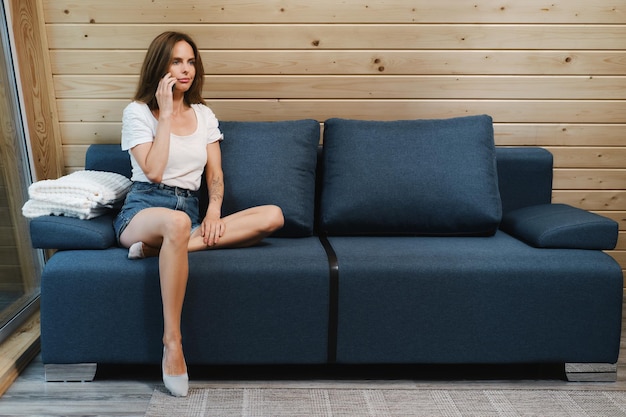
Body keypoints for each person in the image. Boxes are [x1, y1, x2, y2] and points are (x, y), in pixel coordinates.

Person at [113, 31, 284, 397]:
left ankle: (160, 251)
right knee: (174, 223)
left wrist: (215, 211)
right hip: (144, 209)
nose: (186, 69)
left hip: (189, 210)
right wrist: (166, 115)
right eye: (176, 61)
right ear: (160, 66)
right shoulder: (137, 113)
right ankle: (172, 343)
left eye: (190, 61)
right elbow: (155, 171)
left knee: (273, 216)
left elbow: (215, 175)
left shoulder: (204, 115)